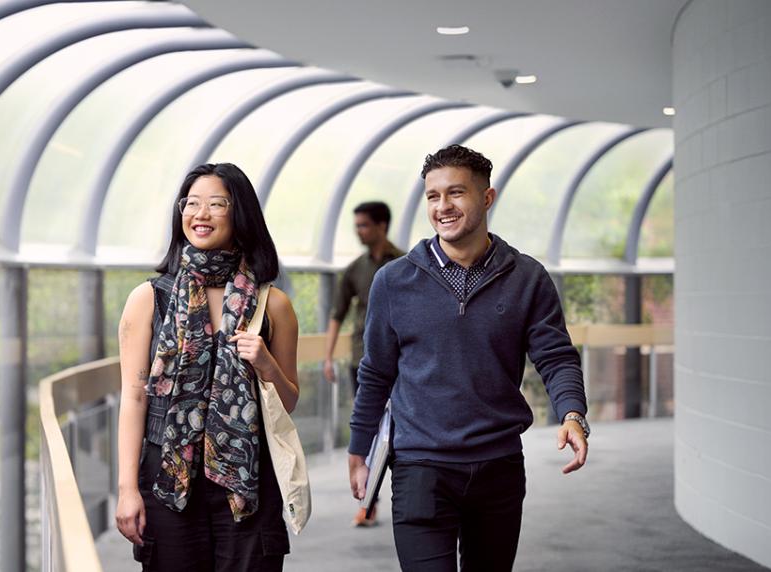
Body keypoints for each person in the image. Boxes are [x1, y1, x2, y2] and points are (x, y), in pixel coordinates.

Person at [347, 145, 590, 571]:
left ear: (487, 198)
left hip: (499, 465)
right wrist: (358, 448)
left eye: (456, 193)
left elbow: (555, 356)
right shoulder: (394, 281)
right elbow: (376, 372)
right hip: (421, 466)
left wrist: (573, 414)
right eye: (433, 196)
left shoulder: (527, 277)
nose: (443, 206)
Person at [115, 163, 300, 571]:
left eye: (216, 204)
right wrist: (127, 488)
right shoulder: (149, 298)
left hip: (247, 480)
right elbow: (132, 396)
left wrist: (266, 363)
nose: (200, 214)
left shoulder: (274, 305)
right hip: (169, 476)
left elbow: (289, 402)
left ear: (240, 214)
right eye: (192, 203)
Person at [322, 201, 403, 527]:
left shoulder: (405, 263)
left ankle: (407, 491)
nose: (359, 232)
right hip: (362, 360)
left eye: (364, 225)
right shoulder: (354, 270)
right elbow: (337, 315)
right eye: (356, 226)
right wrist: (328, 357)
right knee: (369, 429)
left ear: (382, 225)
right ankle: (369, 501)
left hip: (401, 362)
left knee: (399, 429)